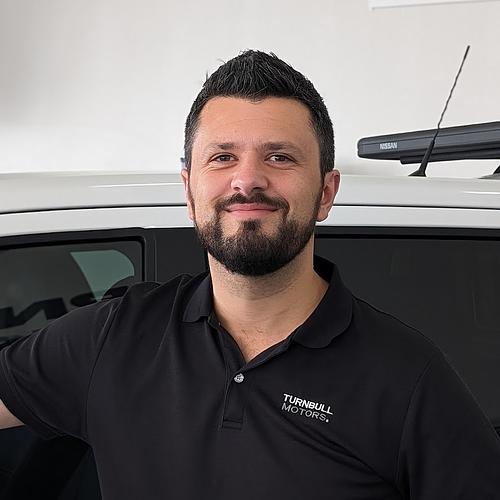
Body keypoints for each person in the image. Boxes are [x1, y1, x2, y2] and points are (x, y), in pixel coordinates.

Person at [1, 50, 499, 500]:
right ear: (189, 191)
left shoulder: (408, 377)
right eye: (223, 157)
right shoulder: (113, 337)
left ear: (326, 193)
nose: (247, 179)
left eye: (279, 157)